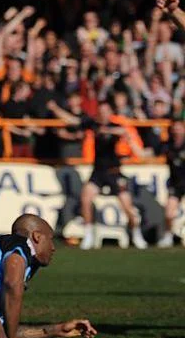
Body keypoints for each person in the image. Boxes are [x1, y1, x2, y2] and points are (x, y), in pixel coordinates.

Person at [48, 100, 147, 250]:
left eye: (106, 111)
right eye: (101, 111)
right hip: (98, 172)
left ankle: (136, 232)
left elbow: (124, 132)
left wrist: (107, 131)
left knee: (127, 206)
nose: (103, 114)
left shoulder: (115, 126)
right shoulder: (92, 123)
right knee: (85, 198)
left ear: (110, 112)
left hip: (114, 171)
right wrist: (55, 108)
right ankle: (88, 234)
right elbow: (72, 120)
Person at [159, 119, 185, 248]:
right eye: (175, 128)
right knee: (169, 213)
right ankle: (168, 235)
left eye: (180, 128)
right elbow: (154, 152)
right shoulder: (168, 145)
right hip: (176, 183)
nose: (177, 130)